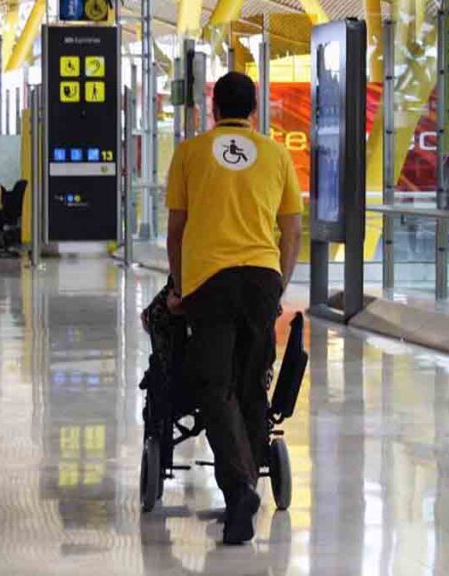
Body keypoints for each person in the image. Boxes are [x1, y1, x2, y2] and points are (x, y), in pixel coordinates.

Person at [165, 72, 303, 546]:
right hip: (262, 280)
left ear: (214, 105)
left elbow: (177, 231)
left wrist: (179, 289)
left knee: (213, 385)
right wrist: (278, 286)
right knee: (250, 384)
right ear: (254, 107)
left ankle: (240, 487)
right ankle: (244, 487)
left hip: (210, 281)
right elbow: (291, 232)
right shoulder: (277, 153)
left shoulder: (190, 152)